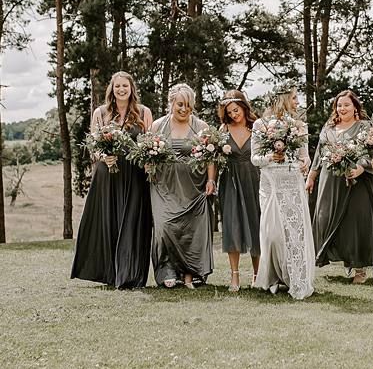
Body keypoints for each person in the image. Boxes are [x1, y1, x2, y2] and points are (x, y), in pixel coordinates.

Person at [71, 71, 153, 288]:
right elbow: (92, 147)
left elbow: (151, 144)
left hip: (135, 175)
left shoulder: (144, 112)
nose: (121, 90)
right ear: (111, 89)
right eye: (117, 86)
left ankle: (131, 275)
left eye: (125, 86)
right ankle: (110, 274)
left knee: (133, 222)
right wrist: (103, 156)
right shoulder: (101, 113)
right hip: (108, 174)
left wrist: (148, 161)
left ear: (131, 88)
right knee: (109, 223)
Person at [305, 90, 373, 284]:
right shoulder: (329, 127)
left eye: (346, 104)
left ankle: (360, 268)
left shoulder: (365, 126)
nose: (342, 108)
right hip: (330, 182)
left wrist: (362, 167)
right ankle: (337, 257)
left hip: (357, 182)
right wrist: (311, 176)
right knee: (324, 218)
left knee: (356, 223)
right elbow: (319, 155)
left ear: (355, 107)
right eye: (339, 105)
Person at [149, 83, 216, 289]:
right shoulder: (158, 126)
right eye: (179, 104)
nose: (184, 109)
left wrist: (211, 179)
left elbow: (210, 157)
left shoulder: (201, 126)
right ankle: (167, 269)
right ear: (171, 103)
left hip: (193, 186)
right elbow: (149, 153)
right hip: (164, 186)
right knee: (165, 227)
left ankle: (191, 272)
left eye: (188, 105)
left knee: (193, 229)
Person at [251, 85, 315, 300]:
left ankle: (293, 277)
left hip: (292, 184)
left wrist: (305, 163)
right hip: (270, 185)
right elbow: (255, 159)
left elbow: (305, 156)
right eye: (295, 98)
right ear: (283, 99)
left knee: (294, 235)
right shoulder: (260, 125)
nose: (298, 102)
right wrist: (271, 157)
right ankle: (273, 277)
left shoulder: (299, 125)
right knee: (273, 235)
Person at [217, 90, 261, 292]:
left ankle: (257, 274)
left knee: (256, 224)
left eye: (236, 110)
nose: (234, 115)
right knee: (232, 224)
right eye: (230, 112)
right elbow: (214, 158)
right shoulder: (223, 129)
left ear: (244, 106)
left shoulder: (257, 127)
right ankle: (234, 276)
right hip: (231, 181)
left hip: (254, 180)